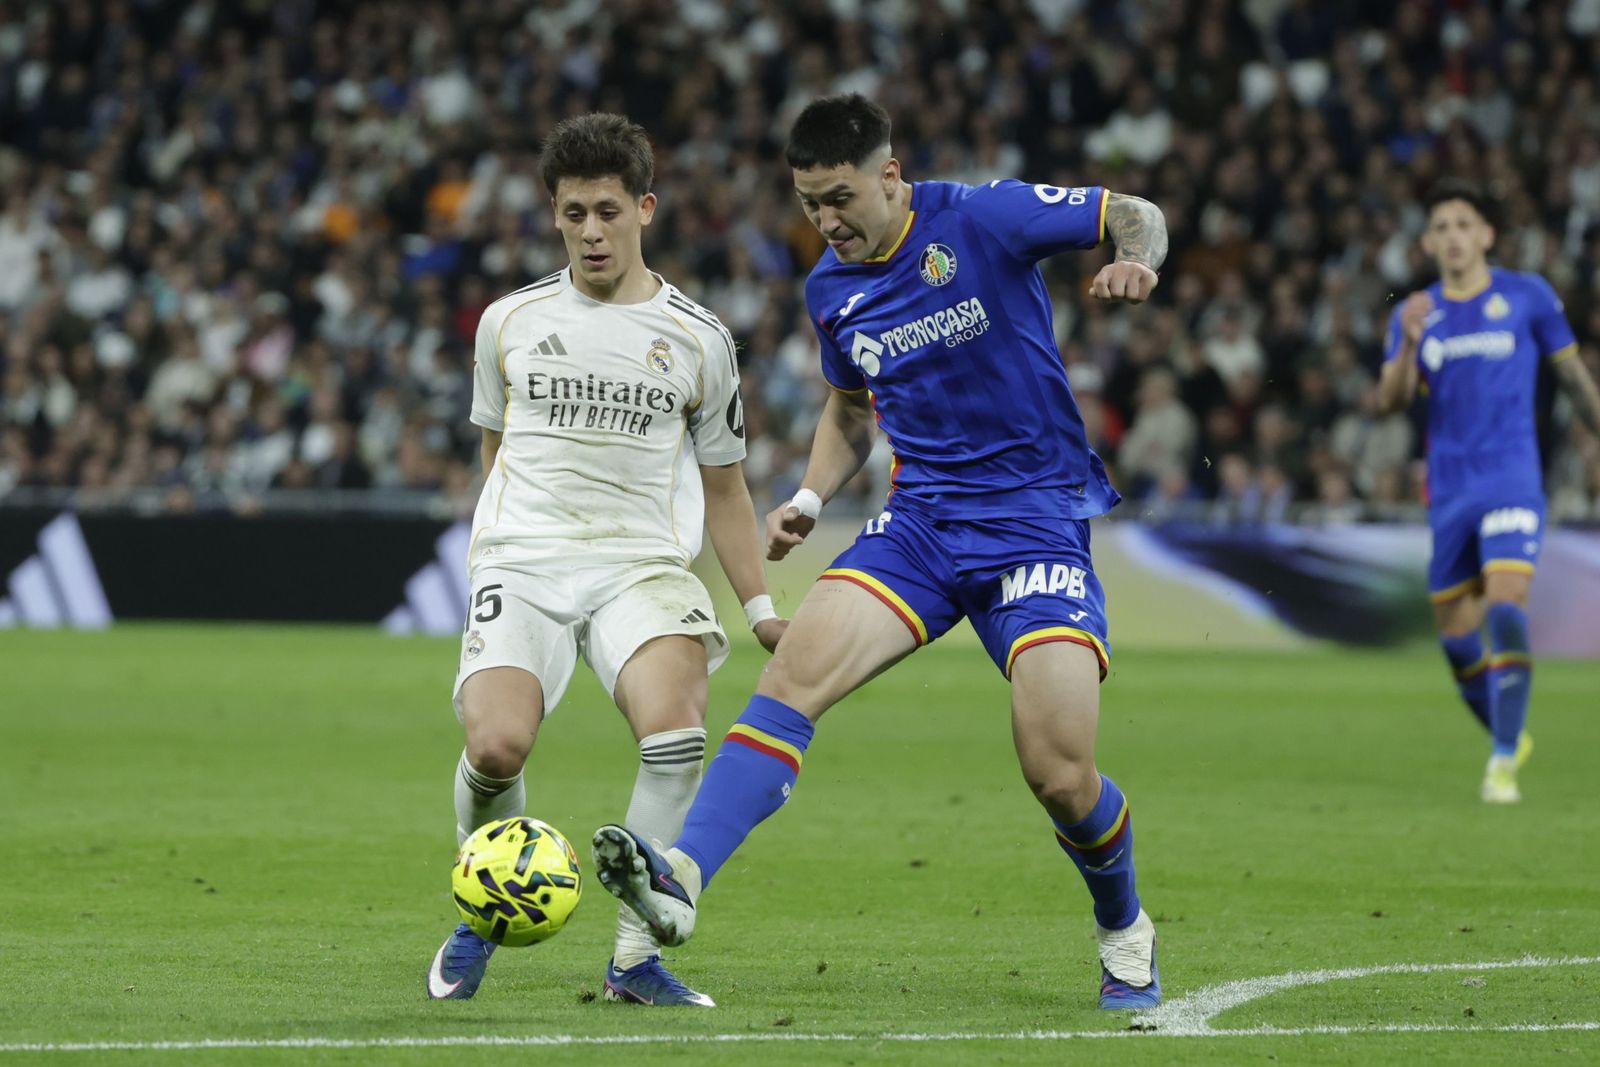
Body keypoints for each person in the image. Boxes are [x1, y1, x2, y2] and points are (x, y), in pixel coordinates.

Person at [592, 93, 1170, 1009]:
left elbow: (1136, 215)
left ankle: (1124, 927)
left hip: (1034, 524)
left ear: (890, 175)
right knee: (791, 680)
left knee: (1058, 771)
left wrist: (1134, 261)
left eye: (839, 196)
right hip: (922, 525)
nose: (825, 220)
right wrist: (812, 496)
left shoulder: (982, 216)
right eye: (807, 202)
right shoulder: (831, 286)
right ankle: (681, 879)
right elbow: (852, 407)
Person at [426, 113, 786, 1007]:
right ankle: (486, 906)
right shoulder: (508, 322)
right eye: (574, 212)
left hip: (641, 564)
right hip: (527, 557)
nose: (591, 230)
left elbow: (729, 487)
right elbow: (496, 452)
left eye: (608, 211)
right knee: (497, 744)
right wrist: (501, 551)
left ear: (646, 209)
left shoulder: (700, 338)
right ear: (554, 214)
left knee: (675, 728)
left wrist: (761, 604)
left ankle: (634, 958)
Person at [1377, 179, 1600, 803]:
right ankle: (1509, 730)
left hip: (1512, 480)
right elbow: (1389, 401)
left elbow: (1575, 381)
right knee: (1455, 638)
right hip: (1449, 490)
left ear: (1486, 235)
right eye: (1441, 226)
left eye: (1462, 224)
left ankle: (1503, 758)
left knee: (1505, 604)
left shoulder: (1527, 297)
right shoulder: (1415, 313)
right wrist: (1410, 350)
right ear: (1427, 242)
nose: (1452, 235)